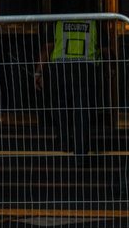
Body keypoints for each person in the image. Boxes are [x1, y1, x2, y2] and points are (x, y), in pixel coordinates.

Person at [34, 17, 100, 154]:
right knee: (82, 110)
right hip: (85, 70)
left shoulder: (58, 23)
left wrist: (38, 72)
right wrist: (110, 68)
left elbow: (47, 47)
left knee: (60, 108)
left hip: (61, 70)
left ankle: (64, 143)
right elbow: (105, 48)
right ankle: (81, 148)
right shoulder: (93, 22)